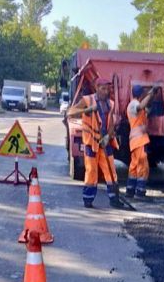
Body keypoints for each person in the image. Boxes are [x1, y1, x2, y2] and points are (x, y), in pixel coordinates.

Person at [66, 78, 124, 209]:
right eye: (103, 89)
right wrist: (86, 110)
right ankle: (88, 199)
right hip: (91, 143)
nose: (106, 91)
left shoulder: (110, 104)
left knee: (111, 171)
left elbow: (111, 124)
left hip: (105, 142)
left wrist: (108, 136)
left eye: (107, 89)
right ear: (97, 88)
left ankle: (114, 199)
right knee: (91, 171)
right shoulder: (87, 100)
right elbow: (70, 112)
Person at [125, 83, 158, 199]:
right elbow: (142, 106)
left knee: (134, 166)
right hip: (139, 140)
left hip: (135, 141)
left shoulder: (136, 106)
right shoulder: (134, 104)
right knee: (143, 166)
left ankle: (130, 190)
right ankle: (140, 192)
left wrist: (152, 95)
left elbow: (146, 109)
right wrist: (151, 92)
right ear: (141, 94)